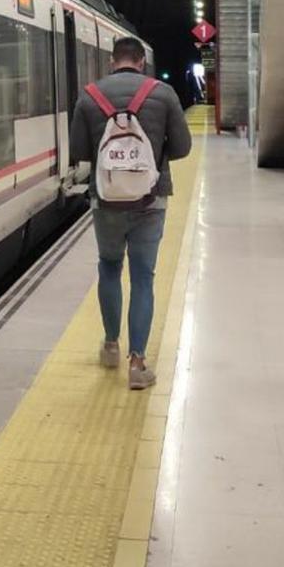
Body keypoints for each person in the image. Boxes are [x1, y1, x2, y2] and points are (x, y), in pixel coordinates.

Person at [69, 37, 192, 390]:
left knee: (109, 267)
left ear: (112, 61)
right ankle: (137, 365)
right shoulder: (163, 93)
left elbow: (79, 150)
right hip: (150, 202)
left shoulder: (90, 94)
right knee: (143, 277)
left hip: (105, 200)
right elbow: (183, 148)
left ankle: (110, 345)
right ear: (142, 61)